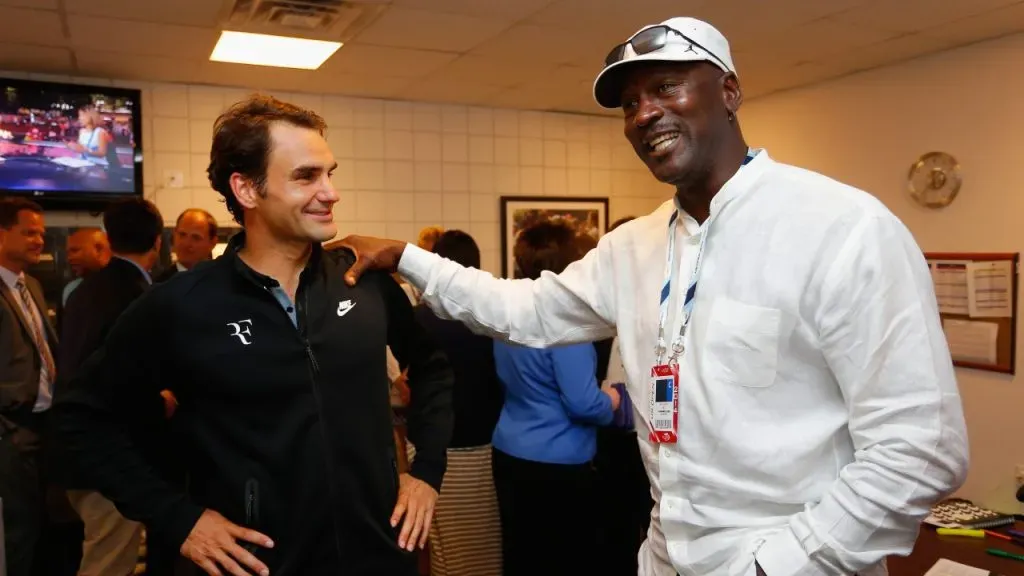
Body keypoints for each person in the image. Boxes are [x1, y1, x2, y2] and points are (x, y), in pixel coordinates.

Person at [333, 16, 969, 576]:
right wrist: (409, 257)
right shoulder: (631, 246)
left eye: (666, 86)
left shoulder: (841, 227)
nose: (643, 114)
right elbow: (525, 310)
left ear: (729, 92)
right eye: (630, 102)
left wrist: (776, 566)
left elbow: (919, 449)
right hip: (663, 556)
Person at [54, 94, 455, 576]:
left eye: (330, 173)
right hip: (254, 563)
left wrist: (427, 472)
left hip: (374, 555)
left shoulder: (362, 281)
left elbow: (432, 369)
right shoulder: (183, 304)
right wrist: (178, 518)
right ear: (246, 189)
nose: (331, 192)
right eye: (306, 176)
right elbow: (81, 419)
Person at [489, 221, 622, 576]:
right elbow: (582, 402)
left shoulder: (512, 307)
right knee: (565, 560)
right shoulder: (565, 319)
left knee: (522, 556)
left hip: (509, 449)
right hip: (557, 463)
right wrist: (611, 399)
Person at [56, 198, 164, 576]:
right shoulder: (138, 296)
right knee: (108, 563)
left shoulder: (84, 290)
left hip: (75, 450)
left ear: (109, 238)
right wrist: (162, 401)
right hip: (109, 454)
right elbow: (127, 381)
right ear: (158, 242)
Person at [406, 229, 504, 576]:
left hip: (433, 447)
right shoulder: (489, 320)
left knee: (444, 548)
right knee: (485, 543)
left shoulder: (420, 319)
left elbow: (404, 383)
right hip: (484, 440)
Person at [0, 198, 57, 576]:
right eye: (29, 232)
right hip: (8, 428)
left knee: (43, 529)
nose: (39, 240)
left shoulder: (32, 285)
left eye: (41, 233)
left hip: (44, 427)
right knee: (16, 533)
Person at [155, 208, 219, 282]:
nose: (186, 243)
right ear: (174, 234)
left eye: (196, 237)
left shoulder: (224, 282)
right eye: (182, 235)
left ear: (213, 243)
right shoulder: (160, 285)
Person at [61, 228, 110, 306]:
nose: (69, 258)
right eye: (68, 253)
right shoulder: (72, 289)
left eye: (75, 250)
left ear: (98, 249)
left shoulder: (128, 287)